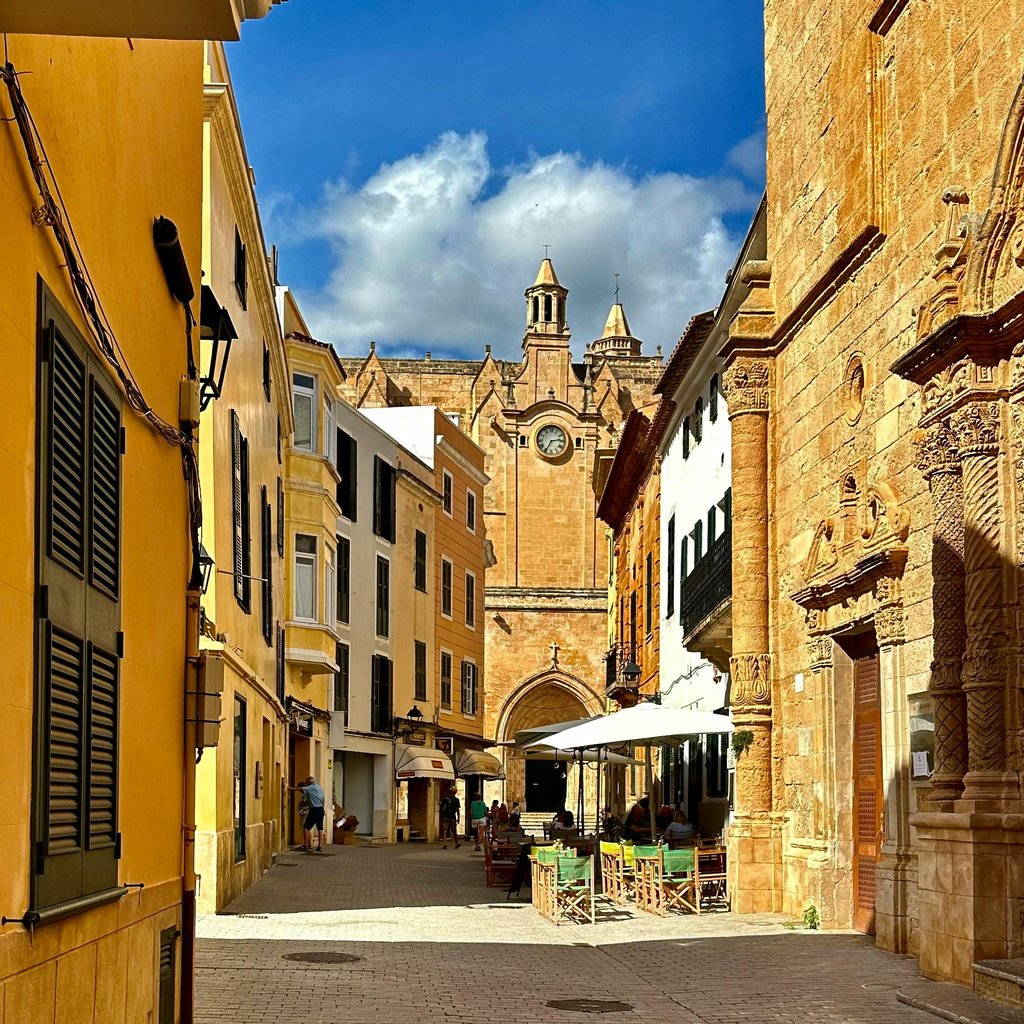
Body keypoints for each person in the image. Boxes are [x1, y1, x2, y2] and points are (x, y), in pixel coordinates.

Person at [289, 775, 326, 852]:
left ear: (309, 782)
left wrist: (288, 788)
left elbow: (299, 788)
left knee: (306, 827)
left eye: (307, 782)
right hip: (321, 809)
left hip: (314, 809)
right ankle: (320, 846)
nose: (306, 784)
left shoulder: (310, 787)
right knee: (320, 828)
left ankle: (306, 844)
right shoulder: (319, 788)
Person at [439, 784, 461, 849]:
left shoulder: (445, 798)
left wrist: (441, 815)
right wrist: (458, 818)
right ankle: (456, 843)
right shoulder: (457, 800)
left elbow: (441, 806)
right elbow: (457, 810)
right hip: (452, 817)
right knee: (454, 831)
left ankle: (445, 844)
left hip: (445, 817)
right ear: (456, 792)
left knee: (445, 830)